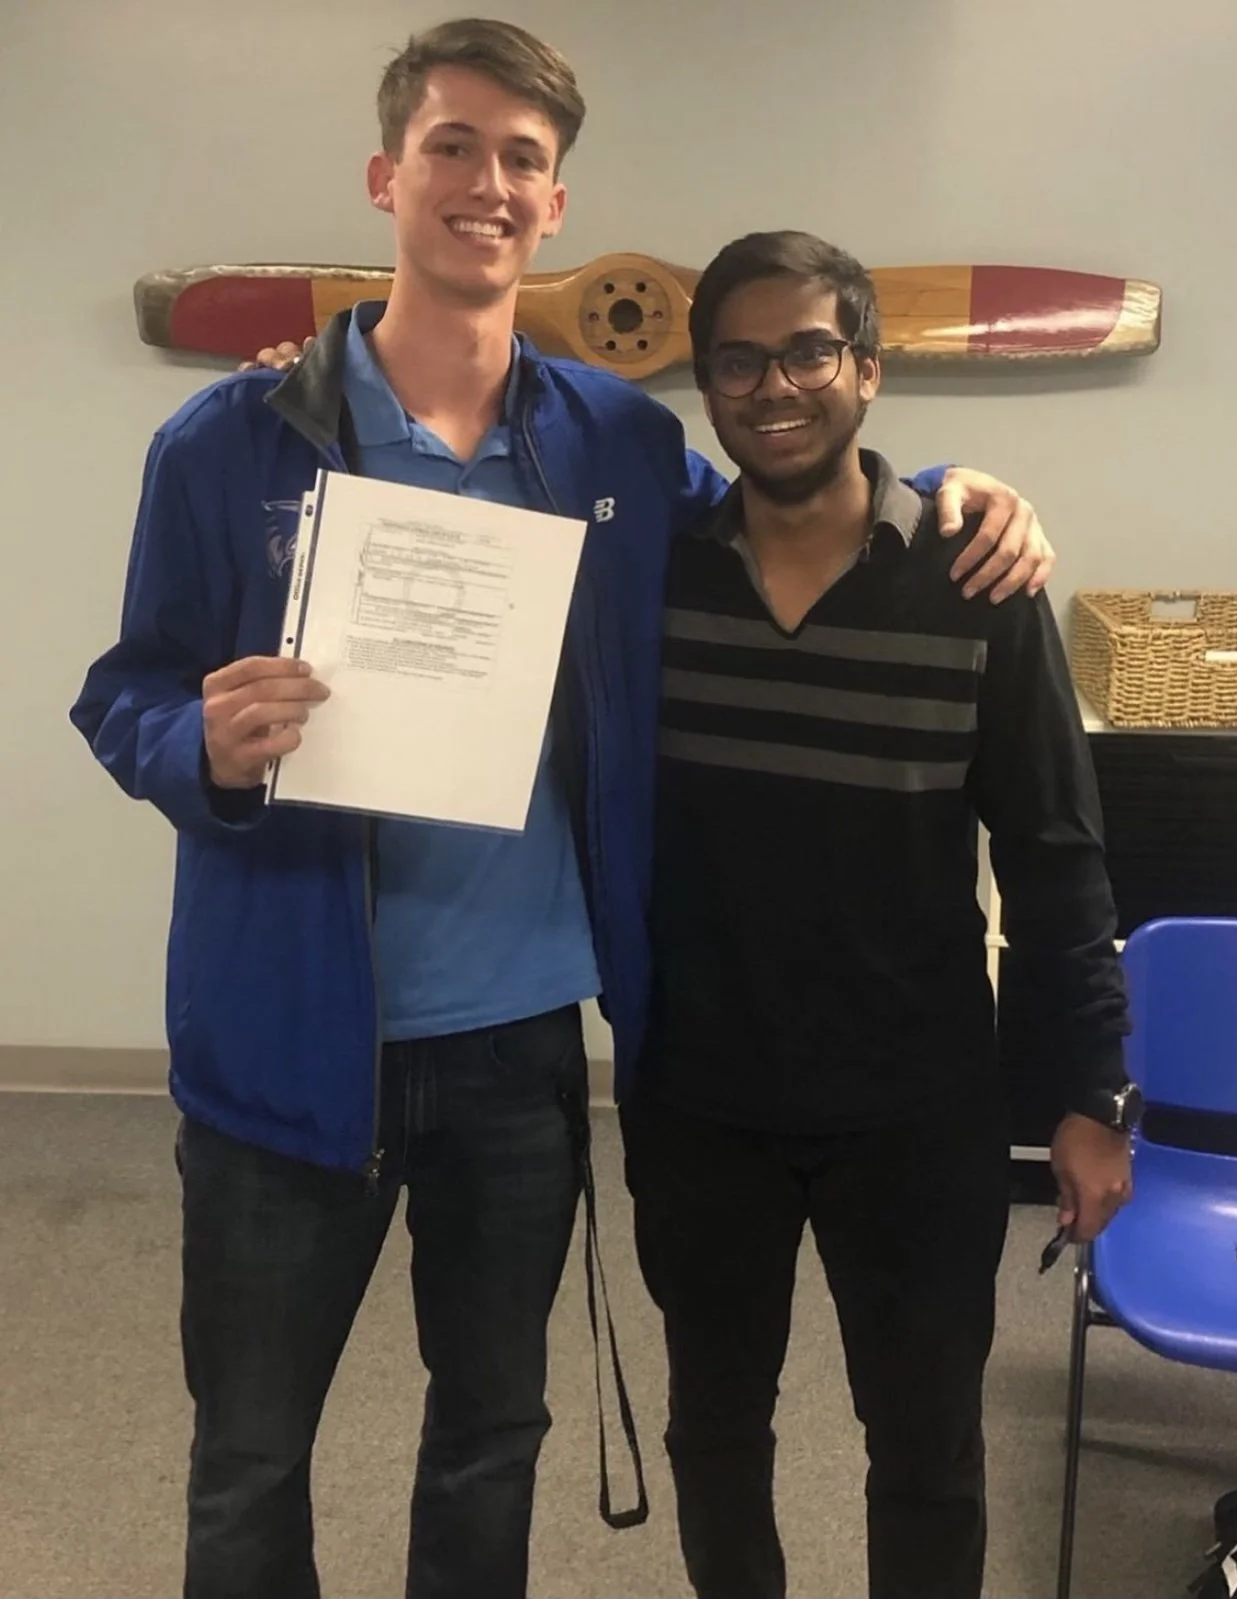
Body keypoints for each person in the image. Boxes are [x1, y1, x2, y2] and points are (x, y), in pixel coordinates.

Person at [71, 20, 1057, 1599]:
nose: (485, 182)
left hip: (522, 1049)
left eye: (521, 159)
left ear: (557, 204)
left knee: (492, 1437)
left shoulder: (610, 438)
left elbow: (782, 504)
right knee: (249, 1455)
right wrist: (198, 741)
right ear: (389, 176)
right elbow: (124, 691)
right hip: (286, 1040)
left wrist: (953, 487)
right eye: (453, 147)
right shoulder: (230, 442)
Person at [618, 229, 1138, 1599]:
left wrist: (1088, 1089)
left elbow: (1055, 851)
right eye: (738, 358)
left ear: (868, 367)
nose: (772, 384)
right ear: (707, 380)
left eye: (807, 350)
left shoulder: (973, 576)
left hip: (918, 1107)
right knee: (716, 1431)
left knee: (926, 1448)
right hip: (698, 1096)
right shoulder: (651, 578)